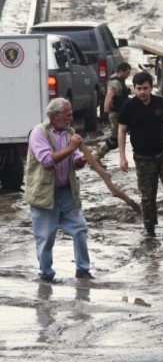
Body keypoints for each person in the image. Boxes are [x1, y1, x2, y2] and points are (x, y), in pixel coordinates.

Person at [25, 98, 93, 282]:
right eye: (68, 114)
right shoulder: (38, 133)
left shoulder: (69, 132)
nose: (71, 118)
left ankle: (83, 270)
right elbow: (47, 161)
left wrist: (79, 160)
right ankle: (46, 276)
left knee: (80, 229)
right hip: (44, 194)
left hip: (66, 192)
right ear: (55, 116)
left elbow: (76, 158)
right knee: (46, 238)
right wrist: (71, 149)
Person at [118, 71, 163, 237]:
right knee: (148, 196)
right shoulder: (128, 107)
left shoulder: (160, 103)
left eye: (145, 88)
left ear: (151, 87)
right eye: (138, 88)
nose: (142, 92)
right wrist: (122, 157)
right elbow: (122, 131)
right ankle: (150, 229)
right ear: (134, 89)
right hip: (142, 157)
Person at [94, 62, 131, 163]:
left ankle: (96, 156)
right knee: (115, 140)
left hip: (121, 114)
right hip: (116, 115)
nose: (128, 75)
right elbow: (109, 97)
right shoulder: (115, 83)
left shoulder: (118, 80)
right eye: (127, 73)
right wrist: (105, 113)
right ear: (121, 71)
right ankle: (96, 157)